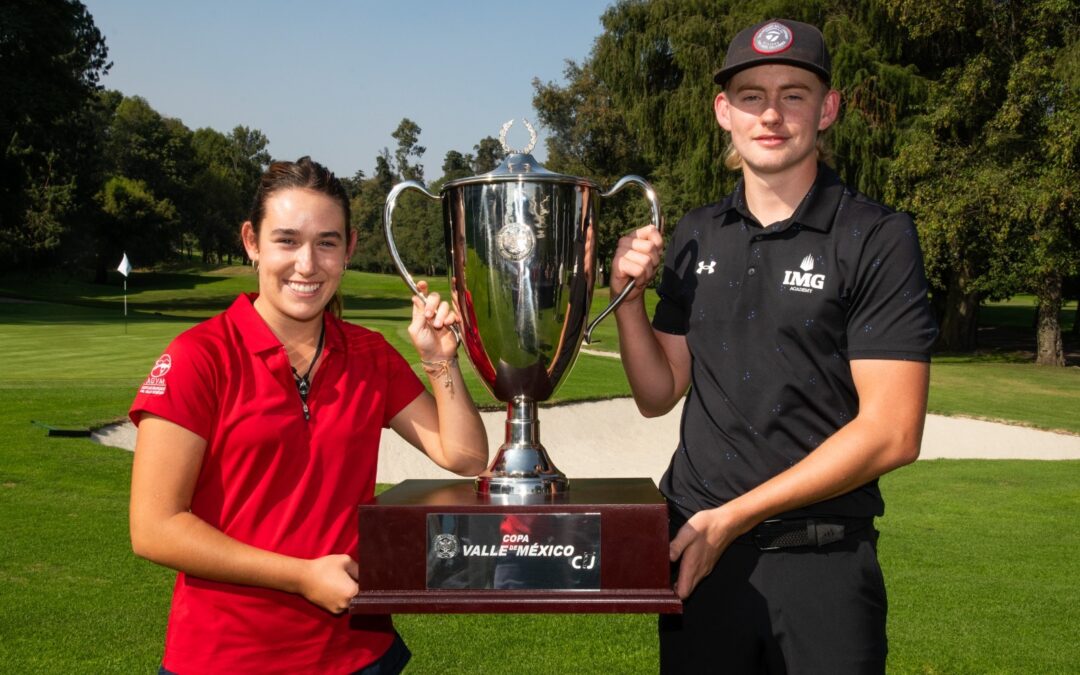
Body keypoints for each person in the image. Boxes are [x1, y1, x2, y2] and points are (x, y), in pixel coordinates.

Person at [610, 18, 938, 674]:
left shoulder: (876, 236)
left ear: (828, 109)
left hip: (822, 564)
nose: (772, 114)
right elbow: (658, 392)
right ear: (724, 112)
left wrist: (732, 516)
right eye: (752, 96)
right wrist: (626, 301)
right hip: (698, 556)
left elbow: (893, 432)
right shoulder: (697, 233)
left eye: (794, 94)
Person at [129, 156, 488, 674]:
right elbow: (154, 527)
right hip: (223, 658)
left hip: (358, 656)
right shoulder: (198, 357)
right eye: (287, 240)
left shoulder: (369, 355)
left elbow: (466, 454)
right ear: (252, 242)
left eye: (327, 242)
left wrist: (439, 359)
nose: (307, 264)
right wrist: (300, 575)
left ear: (349, 249)